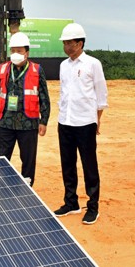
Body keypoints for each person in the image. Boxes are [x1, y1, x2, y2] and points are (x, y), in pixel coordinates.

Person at [54, 22, 108, 225]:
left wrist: (97, 120)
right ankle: (71, 202)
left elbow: (101, 95)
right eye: (65, 43)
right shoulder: (63, 66)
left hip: (85, 123)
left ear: (80, 43)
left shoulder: (93, 64)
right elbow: (63, 93)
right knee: (67, 164)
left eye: (70, 43)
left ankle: (93, 207)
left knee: (89, 165)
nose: (67, 47)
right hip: (65, 122)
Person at [0, 32, 50, 186]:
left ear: (27, 53)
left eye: (20, 51)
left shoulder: (36, 70)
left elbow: (44, 97)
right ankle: (0, 187)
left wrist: (44, 120)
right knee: (2, 157)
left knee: (28, 159)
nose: (16, 54)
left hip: (28, 124)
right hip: (5, 122)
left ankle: (27, 190)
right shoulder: (2, 70)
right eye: (13, 50)